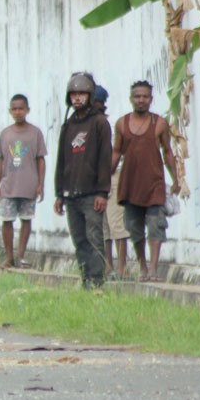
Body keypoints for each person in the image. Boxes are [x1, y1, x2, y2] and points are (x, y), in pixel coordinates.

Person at [112, 80, 180, 282]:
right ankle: (142, 266)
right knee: (134, 228)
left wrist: (176, 179)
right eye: (137, 96)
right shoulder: (121, 124)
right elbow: (116, 152)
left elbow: (168, 152)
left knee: (155, 226)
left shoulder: (159, 123)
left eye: (145, 97)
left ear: (151, 99)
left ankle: (153, 270)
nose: (141, 100)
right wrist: (105, 179)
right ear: (131, 99)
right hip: (130, 185)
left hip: (154, 185)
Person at [53, 72, 112, 289]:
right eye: (74, 94)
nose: (77, 98)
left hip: (92, 194)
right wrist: (59, 193)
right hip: (71, 196)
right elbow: (61, 161)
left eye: (82, 94)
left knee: (95, 238)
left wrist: (102, 193)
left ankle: (97, 282)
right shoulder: (68, 126)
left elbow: (105, 159)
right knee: (79, 241)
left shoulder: (100, 124)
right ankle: (85, 280)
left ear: (90, 95)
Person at [0, 94, 47, 269]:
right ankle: (9, 257)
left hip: (29, 185)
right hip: (8, 186)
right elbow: (1, 160)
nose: (18, 112)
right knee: (7, 220)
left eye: (21, 108)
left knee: (26, 219)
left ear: (28, 110)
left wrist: (40, 184)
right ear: (10, 111)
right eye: (14, 109)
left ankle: (20, 256)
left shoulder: (35, 133)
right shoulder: (6, 133)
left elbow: (41, 159)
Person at [94, 86, 129, 280]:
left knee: (117, 223)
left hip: (113, 176)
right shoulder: (89, 126)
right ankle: (108, 266)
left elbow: (116, 155)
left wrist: (105, 176)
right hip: (97, 180)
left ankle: (122, 267)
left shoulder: (110, 125)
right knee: (104, 226)